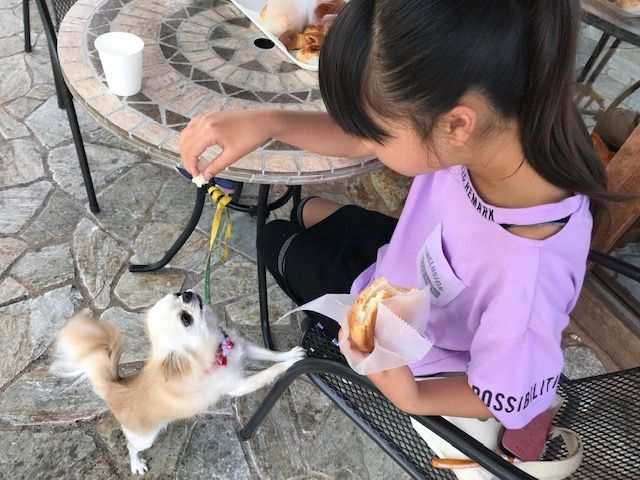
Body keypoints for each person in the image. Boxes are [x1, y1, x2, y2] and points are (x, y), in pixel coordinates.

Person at [180, 0, 610, 429]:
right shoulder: (507, 117)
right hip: (403, 259)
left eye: (376, 130)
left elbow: (511, 399)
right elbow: (366, 137)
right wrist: (270, 122)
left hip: (415, 340)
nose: (366, 137)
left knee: (272, 237)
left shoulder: (528, 277)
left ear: (457, 125)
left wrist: (413, 397)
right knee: (304, 210)